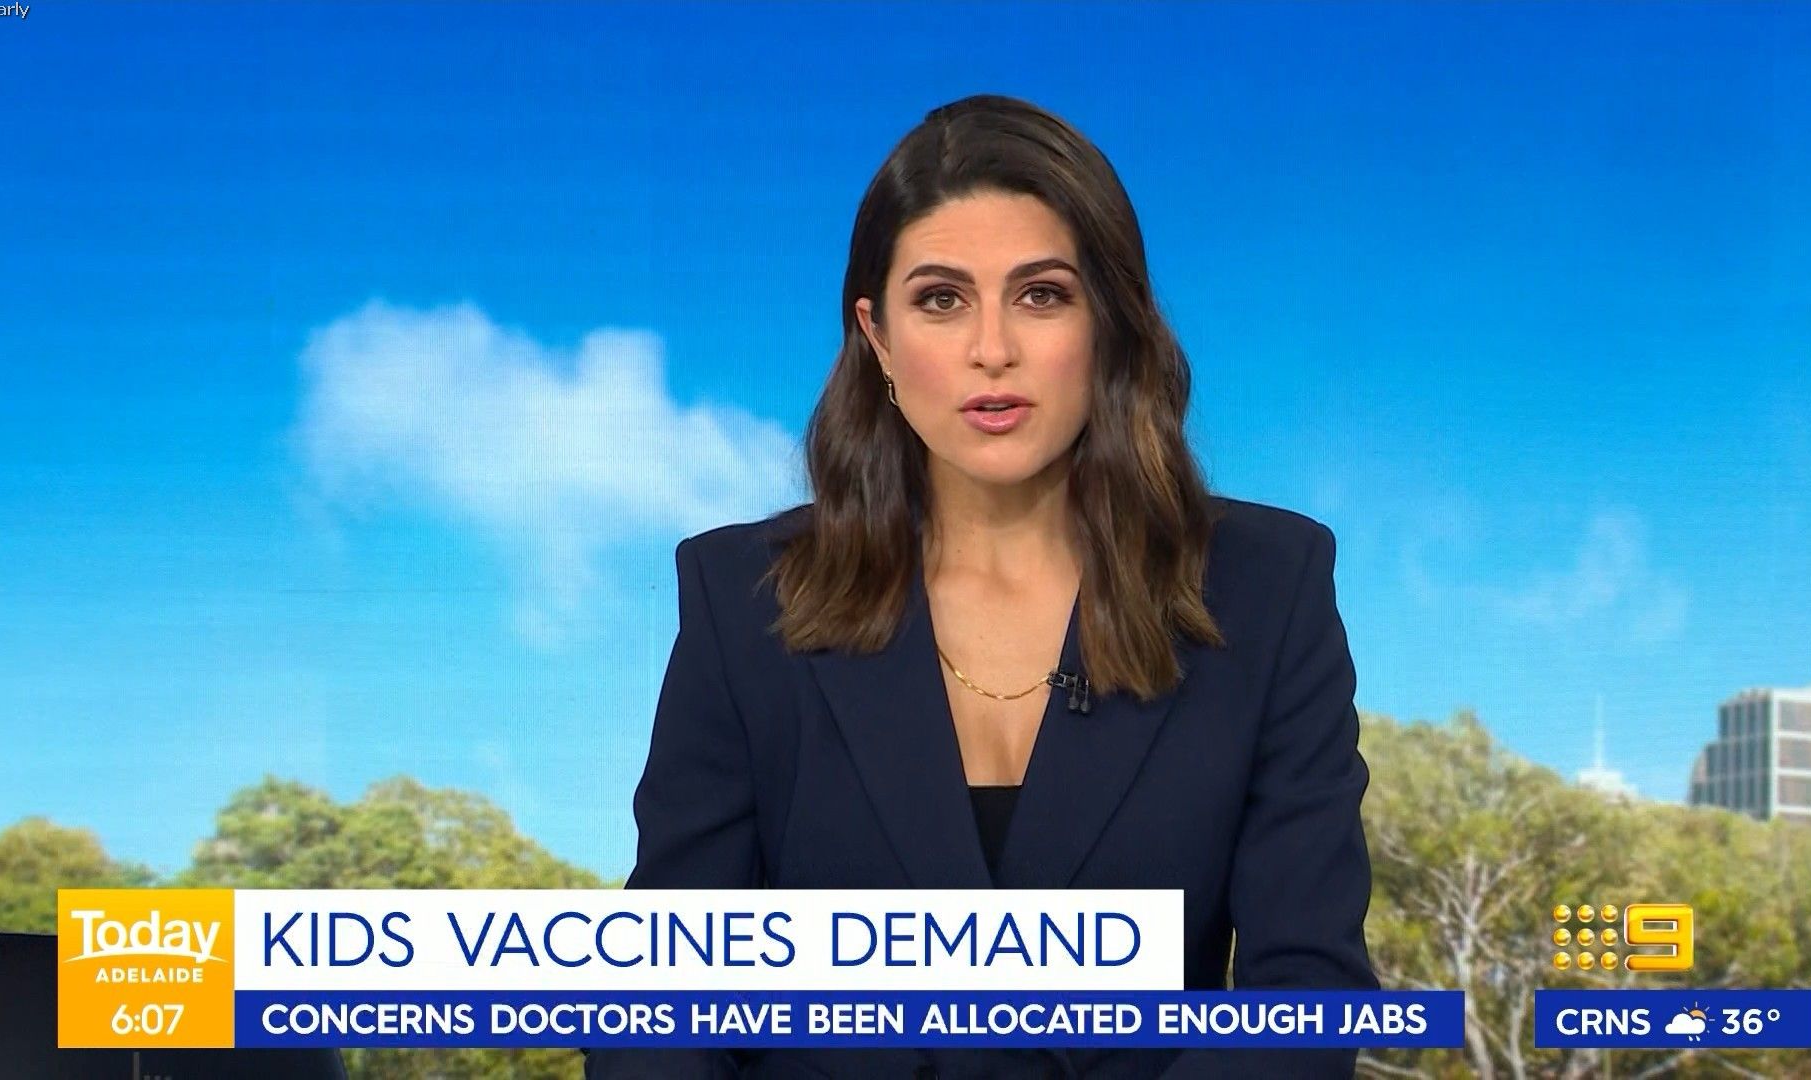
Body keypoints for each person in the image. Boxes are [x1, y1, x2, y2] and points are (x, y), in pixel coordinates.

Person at [586, 93, 1376, 1080]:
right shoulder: (741, 599)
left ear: (1110, 323)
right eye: (941, 300)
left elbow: (1303, 998)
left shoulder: (1268, 587)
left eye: (1041, 295)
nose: (991, 349)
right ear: (877, 337)